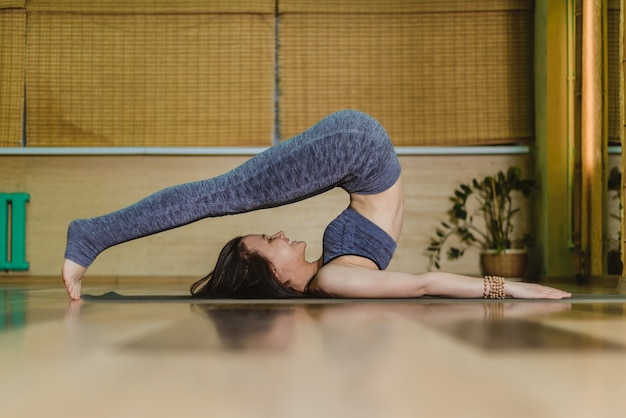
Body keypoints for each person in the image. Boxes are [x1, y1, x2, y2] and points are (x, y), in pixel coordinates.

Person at [62, 110, 571, 301]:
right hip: (354, 146)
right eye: (267, 242)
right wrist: (509, 288)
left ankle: (93, 234)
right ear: (279, 279)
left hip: (353, 147)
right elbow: (424, 284)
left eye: (266, 235)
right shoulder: (333, 279)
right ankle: (92, 234)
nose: (278, 234)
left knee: (220, 195)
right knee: (217, 195)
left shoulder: (331, 276)